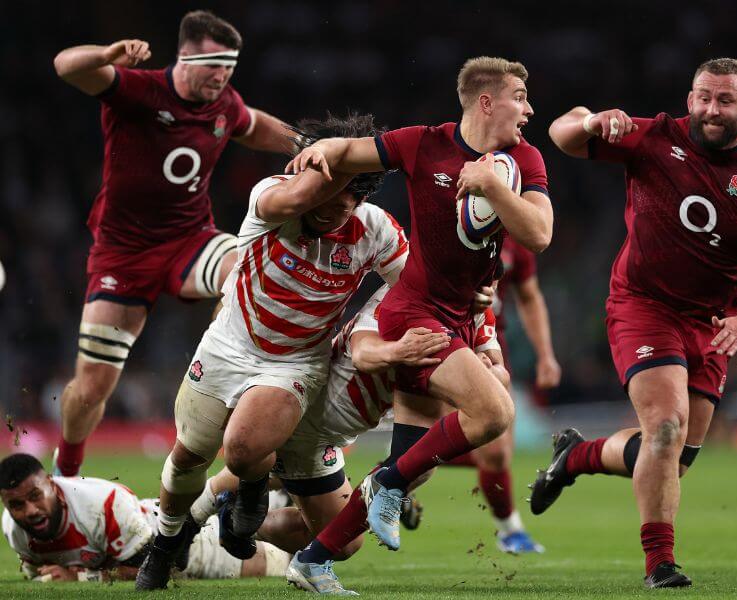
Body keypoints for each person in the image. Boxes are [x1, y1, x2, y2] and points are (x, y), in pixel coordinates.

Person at [284, 55, 552, 594]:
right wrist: (321, 150)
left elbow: (540, 233)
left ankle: (313, 558)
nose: (528, 109)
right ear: (485, 101)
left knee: (416, 465)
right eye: (519, 97)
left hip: (459, 317)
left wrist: (493, 188)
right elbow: (353, 153)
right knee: (495, 411)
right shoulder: (422, 143)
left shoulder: (523, 160)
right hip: (412, 314)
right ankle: (383, 483)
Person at [530, 58, 737, 588]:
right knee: (666, 429)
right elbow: (560, 133)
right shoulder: (652, 137)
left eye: (724, 101)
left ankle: (575, 456)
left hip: (715, 320)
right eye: (702, 96)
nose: (710, 109)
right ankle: (660, 564)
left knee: (674, 459)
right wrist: (589, 122)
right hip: (644, 306)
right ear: (690, 96)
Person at [135, 113, 410, 590]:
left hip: (296, 363)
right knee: (188, 457)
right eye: (328, 195)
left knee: (242, 450)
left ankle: (251, 490)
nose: (334, 209)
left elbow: (415, 287)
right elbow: (302, 195)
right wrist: (327, 159)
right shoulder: (272, 195)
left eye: (349, 200)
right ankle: (165, 542)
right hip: (229, 344)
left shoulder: (374, 229)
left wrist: (471, 320)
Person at [51, 10, 305, 478]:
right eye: (213, 66)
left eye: (229, 68)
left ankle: (223, 374)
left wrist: (304, 144)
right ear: (185, 57)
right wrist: (107, 56)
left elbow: (253, 124)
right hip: (123, 255)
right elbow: (66, 66)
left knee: (248, 267)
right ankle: (66, 471)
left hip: (190, 240)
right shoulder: (139, 90)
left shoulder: (223, 103)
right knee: (91, 387)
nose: (222, 78)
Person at [188, 285, 503, 593]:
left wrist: (486, 370)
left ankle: (230, 516)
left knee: (330, 512)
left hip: (333, 435)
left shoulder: (478, 315)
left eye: (490, 278)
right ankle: (188, 521)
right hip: (311, 425)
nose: (487, 287)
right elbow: (364, 352)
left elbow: (499, 378)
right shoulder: (406, 295)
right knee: (344, 531)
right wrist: (399, 351)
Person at [434, 236, 560, 553]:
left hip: (491, 346)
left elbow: (529, 296)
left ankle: (397, 469)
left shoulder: (516, 238)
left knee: (496, 450)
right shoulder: (444, 222)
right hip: (445, 338)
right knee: (477, 445)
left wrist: (545, 354)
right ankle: (511, 530)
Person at [0, 454, 288, 584]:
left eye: (35, 496)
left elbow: (157, 568)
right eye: (16, 504)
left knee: (282, 559)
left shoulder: (102, 504)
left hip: (182, 542)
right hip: (143, 530)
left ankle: (298, 474)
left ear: (51, 484)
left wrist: (79, 577)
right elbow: (38, 570)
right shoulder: (15, 529)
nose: (30, 511)